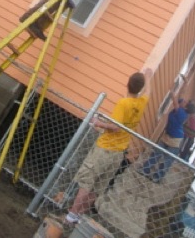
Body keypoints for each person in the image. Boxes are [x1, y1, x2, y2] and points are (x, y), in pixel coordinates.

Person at [63, 67, 153, 226]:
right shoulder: (141, 103)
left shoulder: (123, 103)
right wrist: (149, 76)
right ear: (140, 88)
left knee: (87, 182)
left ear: (127, 84)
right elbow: (148, 92)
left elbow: (115, 126)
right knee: (98, 186)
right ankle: (78, 216)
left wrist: (98, 122)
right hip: (119, 152)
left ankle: (71, 214)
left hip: (105, 148)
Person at [139, 94, 195, 183]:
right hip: (167, 136)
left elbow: (175, 100)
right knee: (156, 153)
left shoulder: (182, 113)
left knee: (167, 160)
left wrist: (173, 92)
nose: (182, 101)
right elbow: (179, 100)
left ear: (185, 107)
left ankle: (157, 177)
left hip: (175, 140)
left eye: (184, 102)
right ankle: (145, 170)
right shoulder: (180, 110)